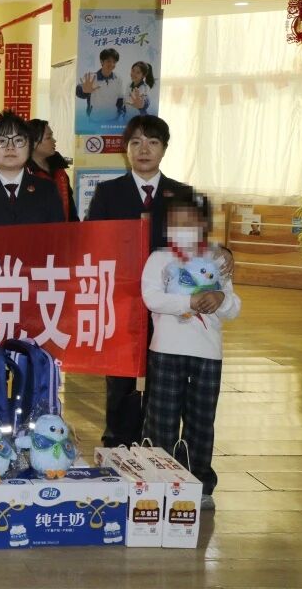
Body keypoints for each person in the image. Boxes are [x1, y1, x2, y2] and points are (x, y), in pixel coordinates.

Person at [87, 115, 196, 448]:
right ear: (126, 150)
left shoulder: (182, 194)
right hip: (122, 299)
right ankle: (117, 442)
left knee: (164, 374)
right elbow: (94, 243)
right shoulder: (108, 193)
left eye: (152, 142)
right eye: (135, 142)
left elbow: (195, 248)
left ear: (164, 148)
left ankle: (157, 443)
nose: (143, 149)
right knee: (120, 376)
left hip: (168, 302)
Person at [141, 193, 240, 511]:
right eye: (176, 222)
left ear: (203, 224)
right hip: (166, 351)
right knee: (162, 420)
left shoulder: (217, 259)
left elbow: (233, 306)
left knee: (201, 422)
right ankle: (159, 481)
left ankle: (200, 484)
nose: (183, 228)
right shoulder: (159, 258)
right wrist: (189, 301)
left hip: (208, 354)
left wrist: (221, 299)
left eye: (190, 221)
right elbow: (151, 298)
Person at [26, 118, 78, 222]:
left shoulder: (59, 169)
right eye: (48, 137)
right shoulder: (24, 173)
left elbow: (70, 208)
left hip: (64, 229)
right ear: (33, 143)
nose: (54, 141)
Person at [76, 48, 125, 118]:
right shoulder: (91, 77)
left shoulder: (118, 79)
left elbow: (120, 99)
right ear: (102, 62)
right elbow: (78, 90)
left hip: (113, 119)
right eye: (108, 61)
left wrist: (119, 113)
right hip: (95, 119)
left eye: (114, 62)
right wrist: (84, 91)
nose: (112, 64)